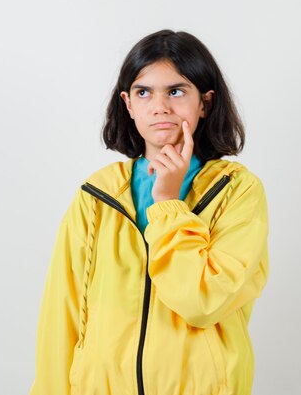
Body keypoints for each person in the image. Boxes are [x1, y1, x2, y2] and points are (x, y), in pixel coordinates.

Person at [30, 29, 269, 395]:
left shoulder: (237, 191)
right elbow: (61, 316)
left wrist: (168, 202)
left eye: (176, 91)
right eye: (144, 92)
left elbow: (204, 301)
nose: (160, 106)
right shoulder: (98, 194)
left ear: (204, 102)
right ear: (128, 104)